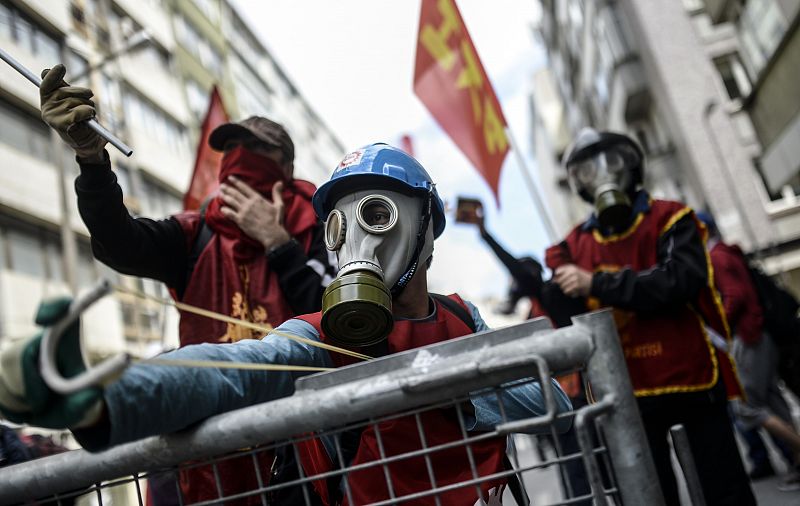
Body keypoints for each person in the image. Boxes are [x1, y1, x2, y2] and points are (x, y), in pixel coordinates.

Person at [0, 143, 572, 505]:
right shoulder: (318, 336)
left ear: (428, 230)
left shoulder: (459, 318)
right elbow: (228, 371)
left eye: (378, 214)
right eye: (340, 227)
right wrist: (103, 394)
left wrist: (435, 381)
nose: (360, 240)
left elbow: (553, 405)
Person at [38, 64, 338, 502]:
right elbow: (119, 243)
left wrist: (278, 242)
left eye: (256, 148)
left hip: (302, 448)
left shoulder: (321, 226)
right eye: (231, 145)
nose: (239, 154)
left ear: (286, 167)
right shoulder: (196, 232)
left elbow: (338, 322)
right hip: (210, 454)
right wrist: (92, 160)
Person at [544, 128, 754, 505]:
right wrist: (552, 283)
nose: (604, 172)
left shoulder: (673, 218)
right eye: (588, 168)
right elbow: (567, 316)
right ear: (578, 182)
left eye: (612, 160)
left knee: (724, 490)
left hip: (692, 380)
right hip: (627, 392)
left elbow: (680, 280)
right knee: (647, 495)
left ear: (633, 165)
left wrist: (596, 283)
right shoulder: (573, 245)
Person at [699, 212, 800, 489]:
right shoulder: (725, 253)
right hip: (758, 333)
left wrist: (720, 323)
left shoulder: (716, 257)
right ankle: (796, 462)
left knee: (747, 407)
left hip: (749, 335)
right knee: (772, 400)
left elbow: (735, 295)